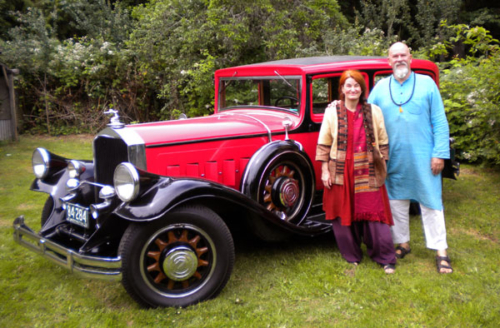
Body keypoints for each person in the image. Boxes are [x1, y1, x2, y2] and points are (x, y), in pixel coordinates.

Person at [368, 42, 453, 274]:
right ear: (388, 61)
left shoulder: (427, 84)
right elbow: (365, 116)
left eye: (403, 55)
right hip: (393, 159)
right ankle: (402, 243)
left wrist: (440, 154)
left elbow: (439, 121)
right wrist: (339, 106)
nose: (399, 59)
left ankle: (441, 251)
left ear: (410, 58)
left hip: (425, 158)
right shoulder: (380, 87)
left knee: (431, 203)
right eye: (394, 56)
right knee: (396, 202)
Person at [316, 70, 396, 274]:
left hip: (368, 169)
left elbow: (383, 140)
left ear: (362, 89)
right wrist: (325, 170)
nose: (353, 89)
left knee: (375, 215)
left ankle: (385, 257)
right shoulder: (332, 111)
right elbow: (324, 143)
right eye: (348, 85)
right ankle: (351, 255)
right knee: (343, 215)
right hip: (340, 170)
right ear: (342, 89)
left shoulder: (374, 111)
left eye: (356, 85)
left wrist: (382, 164)